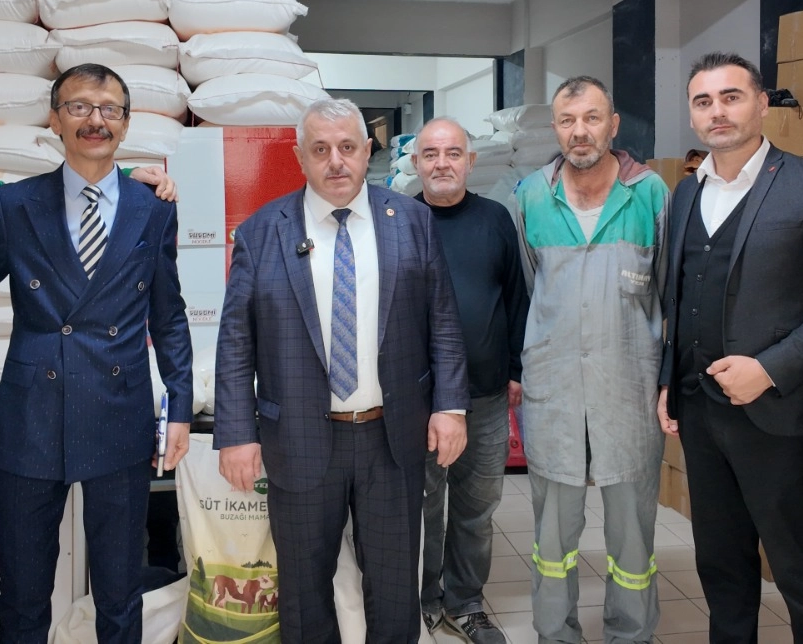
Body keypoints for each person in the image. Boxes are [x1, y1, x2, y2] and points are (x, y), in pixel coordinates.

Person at [214, 97, 470, 644]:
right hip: (299, 438)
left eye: (348, 147)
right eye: (321, 149)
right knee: (304, 594)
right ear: (299, 156)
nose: (336, 161)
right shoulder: (262, 232)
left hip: (391, 438)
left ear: (367, 151)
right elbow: (235, 341)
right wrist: (236, 433)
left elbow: (443, 323)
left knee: (395, 591)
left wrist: (451, 407)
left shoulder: (413, 221)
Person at [0, 63, 193, 644]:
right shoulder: (12, 203)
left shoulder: (153, 206)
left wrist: (179, 406)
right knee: (23, 593)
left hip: (119, 411)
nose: (94, 120)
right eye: (79, 107)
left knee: (120, 591)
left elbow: (168, 314)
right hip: (30, 415)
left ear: (125, 124)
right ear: (55, 120)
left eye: (109, 110)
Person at [657, 53, 803, 644]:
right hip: (700, 411)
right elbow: (680, 297)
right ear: (692, 115)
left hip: (779, 415)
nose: (717, 111)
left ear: (762, 103)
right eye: (703, 101)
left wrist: (769, 370)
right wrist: (669, 379)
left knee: (801, 566)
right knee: (721, 564)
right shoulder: (685, 194)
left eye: (731, 97)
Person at [512, 76, 670, 644]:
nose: (579, 131)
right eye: (567, 120)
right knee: (553, 535)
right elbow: (530, 289)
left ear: (613, 124)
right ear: (556, 128)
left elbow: (668, 291)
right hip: (554, 394)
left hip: (628, 393)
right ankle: (556, 633)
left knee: (632, 534)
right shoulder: (531, 196)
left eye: (592, 118)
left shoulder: (650, 194)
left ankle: (631, 633)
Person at [411, 118, 529, 644]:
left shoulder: (495, 219)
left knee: (476, 508)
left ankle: (465, 602)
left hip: (485, 395)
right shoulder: (399, 219)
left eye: (453, 153)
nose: (442, 163)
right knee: (422, 506)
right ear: (416, 162)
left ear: (470, 161)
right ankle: (421, 600)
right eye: (431, 154)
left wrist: (515, 369)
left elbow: (516, 298)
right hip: (419, 398)